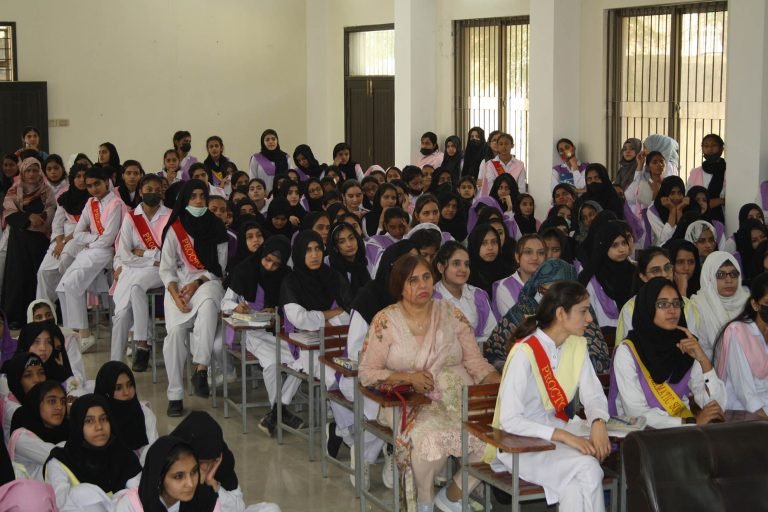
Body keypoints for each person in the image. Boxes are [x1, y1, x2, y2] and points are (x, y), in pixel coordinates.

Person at [358, 254, 499, 512]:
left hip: (459, 398)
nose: (423, 285)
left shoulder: (449, 313)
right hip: (409, 402)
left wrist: (500, 383)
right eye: (413, 280)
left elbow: (475, 363)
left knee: (494, 438)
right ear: (399, 285)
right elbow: (367, 372)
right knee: (428, 439)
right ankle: (423, 503)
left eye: (426, 277)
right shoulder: (385, 320)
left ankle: (452, 496)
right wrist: (408, 377)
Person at [487, 281, 610, 512]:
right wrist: (563, 435)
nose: (590, 320)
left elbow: (593, 394)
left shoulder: (576, 346)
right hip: (519, 445)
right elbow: (509, 421)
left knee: (574, 487)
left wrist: (598, 421)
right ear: (561, 313)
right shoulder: (524, 352)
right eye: (583, 311)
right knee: (588, 468)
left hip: (554, 437)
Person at [609, 278, 726, 428]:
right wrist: (688, 422)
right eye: (662, 304)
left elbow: (717, 407)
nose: (672, 310)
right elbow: (637, 414)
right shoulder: (628, 352)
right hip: (642, 437)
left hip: (684, 434)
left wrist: (704, 361)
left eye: (676, 303)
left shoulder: (685, 345)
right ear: (648, 307)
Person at [159, 180, 228, 416]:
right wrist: (175, 294)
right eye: (194, 197)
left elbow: (220, 267)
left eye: (202, 196)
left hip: (207, 282)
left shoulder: (217, 227)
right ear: (185, 200)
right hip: (178, 287)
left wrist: (198, 281)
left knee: (209, 304)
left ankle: (200, 368)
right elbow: (166, 269)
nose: (199, 201)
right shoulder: (174, 229)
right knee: (175, 335)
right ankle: (175, 395)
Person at [221, 236, 297, 436]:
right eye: (267, 260)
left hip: (279, 331)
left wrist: (277, 311)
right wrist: (237, 306)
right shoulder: (245, 270)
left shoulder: (286, 275)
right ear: (262, 254)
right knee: (272, 364)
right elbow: (225, 304)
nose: (270, 266)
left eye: (276, 264)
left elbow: (291, 306)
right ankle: (279, 411)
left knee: (302, 360)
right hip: (251, 333)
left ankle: (276, 412)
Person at [485, 260, 611, 376]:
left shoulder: (582, 313)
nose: (551, 299)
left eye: (559, 294)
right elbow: (494, 353)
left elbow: (598, 361)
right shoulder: (520, 313)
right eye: (544, 292)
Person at [278, 231, 352, 428]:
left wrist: (321, 319)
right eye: (308, 250)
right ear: (300, 253)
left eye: (318, 249)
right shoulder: (291, 282)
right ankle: (344, 431)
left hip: (336, 342)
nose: (314, 255)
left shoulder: (332, 276)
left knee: (348, 375)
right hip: (303, 343)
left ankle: (342, 426)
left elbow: (347, 314)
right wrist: (328, 316)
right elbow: (300, 319)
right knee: (334, 379)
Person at [56, 166, 126, 350]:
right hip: (90, 250)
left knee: (72, 285)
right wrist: (93, 239)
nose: (94, 189)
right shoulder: (90, 203)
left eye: (97, 184)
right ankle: (73, 332)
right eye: (89, 185)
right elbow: (77, 232)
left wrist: (91, 240)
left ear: (106, 182)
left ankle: (84, 334)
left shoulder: (116, 204)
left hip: (107, 252)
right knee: (62, 288)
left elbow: (109, 238)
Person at [111, 174, 170, 370]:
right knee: (120, 315)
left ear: (162, 192)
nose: (153, 193)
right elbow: (125, 255)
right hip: (133, 269)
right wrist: (153, 257)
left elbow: (170, 254)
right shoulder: (131, 217)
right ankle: (114, 365)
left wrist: (145, 253)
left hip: (159, 271)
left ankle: (142, 345)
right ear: (141, 192)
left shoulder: (169, 216)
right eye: (148, 189)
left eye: (157, 189)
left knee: (137, 287)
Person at [45, 394, 141, 511]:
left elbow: (140, 496)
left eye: (104, 419)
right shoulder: (59, 463)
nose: (99, 427)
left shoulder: (124, 455)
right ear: (77, 425)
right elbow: (62, 505)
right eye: (89, 421)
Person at [171, 411, 280, 512]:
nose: (206, 466)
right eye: (201, 462)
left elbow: (238, 508)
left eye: (211, 461)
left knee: (271, 509)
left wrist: (213, 484)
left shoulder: (222, 461)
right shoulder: (169, 462)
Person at [1, 156, 57, 327]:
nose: (32, 174)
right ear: (22, 172)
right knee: (17, 278)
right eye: (28, 170)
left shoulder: (46, 191)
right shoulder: (14, 190)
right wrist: (28, 218)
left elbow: (51, 209)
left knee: (37, 277)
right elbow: (9, 213)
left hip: (39, 240)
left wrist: (39, 220)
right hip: (18, 241)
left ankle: (38, 316)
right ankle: (16, 317)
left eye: (35, 170)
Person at [616, 247, 700, 344]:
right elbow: (631, 346)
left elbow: (691, 344)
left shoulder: (687, 305)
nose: (664, 274)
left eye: (668, 268)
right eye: (656, 270)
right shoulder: (631, 308)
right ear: (643, 276)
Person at [712, 272, 768, 417]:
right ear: (755, 304)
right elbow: (743, 390)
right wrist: (763, 418)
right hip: (742, 409)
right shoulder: (738, 331)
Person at [36, 163, 89, 305]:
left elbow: (86, 227)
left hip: (82, 240)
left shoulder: (94, 199)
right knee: (44, 271)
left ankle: (69, 306)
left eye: (85, 176)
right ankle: (45, 310)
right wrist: (59, 242)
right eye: (78, 176)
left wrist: (64, 242)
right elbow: (57, 224)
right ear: (72, 179)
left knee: (65, 264)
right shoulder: (65, 198)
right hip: (62, 240)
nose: (82, 180)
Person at [578, 222, 636, 341]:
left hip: (634, 334)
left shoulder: (635, 272)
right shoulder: (593, 279)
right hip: (604, 338)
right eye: (614, 245)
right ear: (603, 247)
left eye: (624, 243)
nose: (621, 249)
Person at [432, 242, 496, 344]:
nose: (463, 269)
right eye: (456, 263)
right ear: (441, 267)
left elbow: (492, 334)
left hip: (480, 355)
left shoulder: (478, 295)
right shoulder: (431, 299)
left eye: (466, 264)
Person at [690, 251, 750, 359]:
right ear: (709, 278)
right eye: (721, 275)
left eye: (733, 274)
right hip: (709, 369)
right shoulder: (697, 306)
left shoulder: (749, 302)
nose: (729, 280)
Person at [94, 361, 158, 462]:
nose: (127, 392)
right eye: (118, 388)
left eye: (130, 385)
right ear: (106, 392)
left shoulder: (144, 414)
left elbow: (152, 455)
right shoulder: (97, 420)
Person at [9, 380, 68, 479]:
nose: (59, 407)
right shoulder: (22, 437)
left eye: (63, 401)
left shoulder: (66, 428)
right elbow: (61, 457)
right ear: (36, 403)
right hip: (32, 493)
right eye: (52, 401)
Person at [492, 234, 544, 318]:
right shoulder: (505, 287)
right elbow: (520, 323)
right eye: (528, 252)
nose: (535, 257)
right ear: (517, 257)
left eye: (541, 253)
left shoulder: (551, 284)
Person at [16, 321, 77, 391]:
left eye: (49, 342)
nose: (43, 348)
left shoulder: (57, 372)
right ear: (25, 344)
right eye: (36, 341)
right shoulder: (11, 374)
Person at [642, 175, 687, 247]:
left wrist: (679, 210)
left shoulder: (685, 206)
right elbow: (665, 239)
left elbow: (685, 236)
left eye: (680, 193)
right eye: (672, 193)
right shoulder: (653, 210)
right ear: (665, 193)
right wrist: (672, 210)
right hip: (661, 251)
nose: (677, 197)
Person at [466, 224, 509, 298]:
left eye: (494, 242)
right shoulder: (467, 275)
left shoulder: (507, 271)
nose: (490, 248)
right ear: (475, 245)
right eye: (484, 243)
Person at [327, 222, 371, 291]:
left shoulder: (366, 262)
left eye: (351, 238)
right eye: (342, 242)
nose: (349, 244)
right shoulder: (332, 272)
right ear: (335, 247)